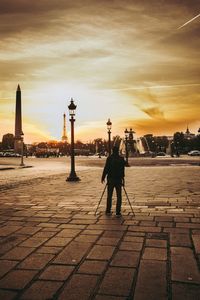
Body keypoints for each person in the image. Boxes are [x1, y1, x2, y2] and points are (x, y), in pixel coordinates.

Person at [101, 146, 126, 216]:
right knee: (119, 196)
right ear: (118, 151)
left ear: (112, 151)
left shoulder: (109, 158)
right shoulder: (121, 158)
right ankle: (118, 212)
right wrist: (123, 178)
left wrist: (103, 177)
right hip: (118, 179)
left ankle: (108, 210)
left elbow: (106, 168)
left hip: (111, 179)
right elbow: (123, 169)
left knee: (109, 195)